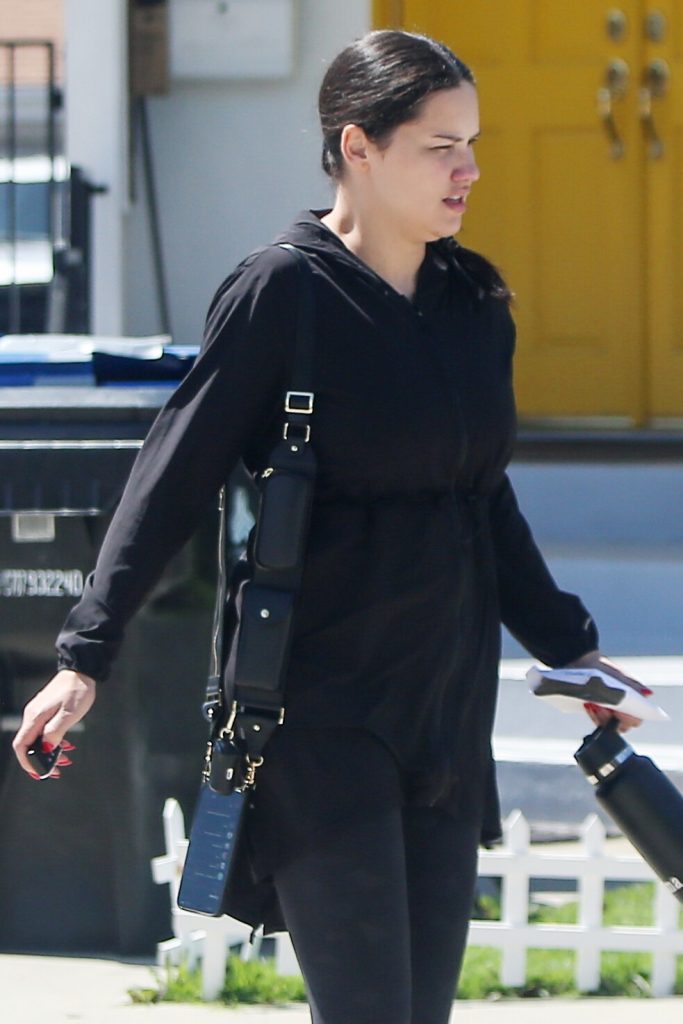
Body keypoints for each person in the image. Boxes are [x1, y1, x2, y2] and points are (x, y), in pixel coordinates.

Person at [13, 29, 650, 1024]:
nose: (469, 170)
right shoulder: (284, 294)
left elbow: (480, 498)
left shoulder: (473, 304)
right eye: (440, 147)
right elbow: (171, 477)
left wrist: (572, 652)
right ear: (359, 146)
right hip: (318, 713)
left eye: (472, 144)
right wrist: (83, 655)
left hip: (444, 709)